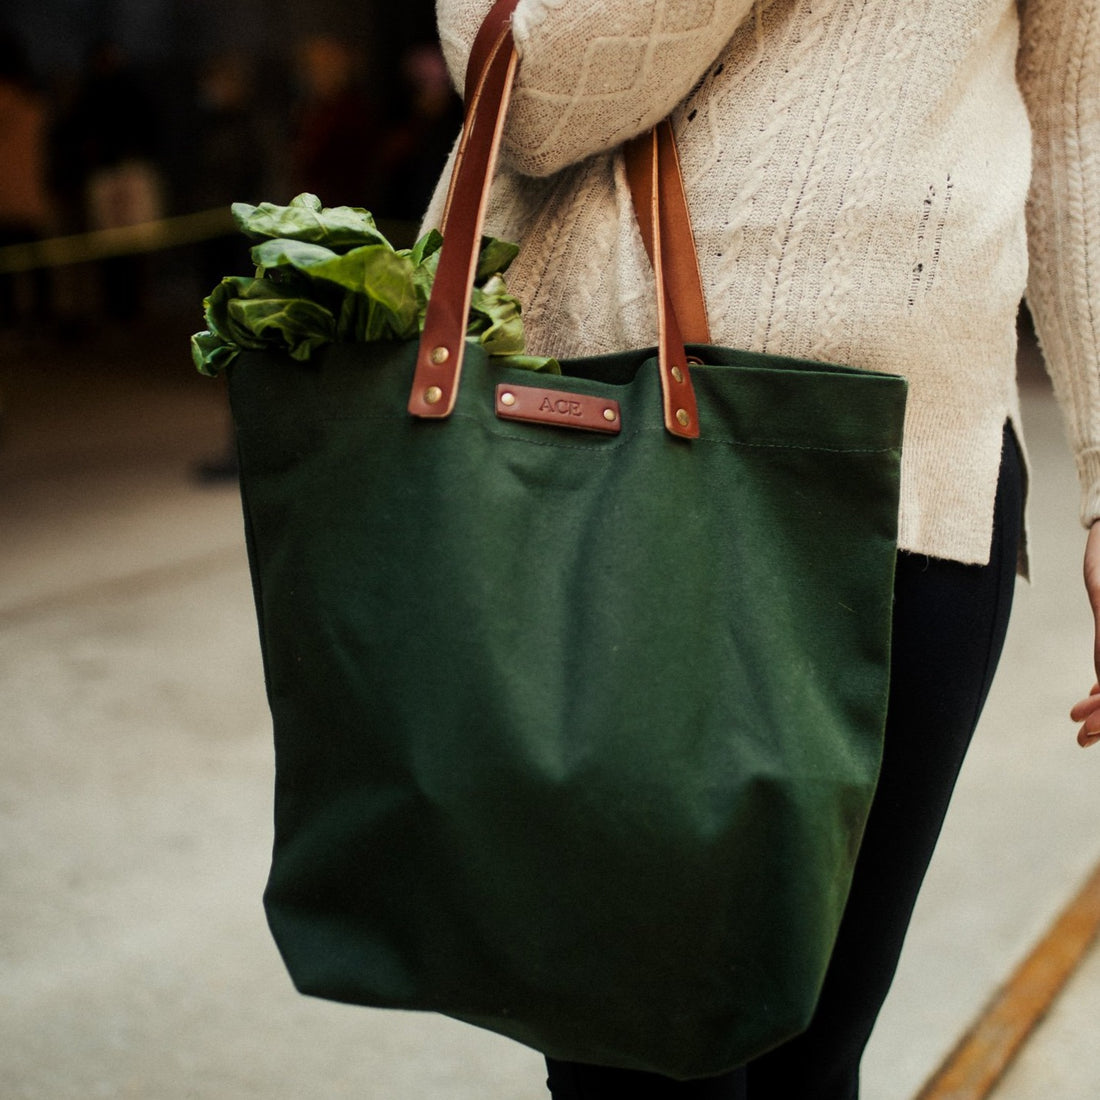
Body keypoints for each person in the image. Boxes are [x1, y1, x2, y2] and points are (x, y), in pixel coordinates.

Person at [420, 1, 1098, 1097]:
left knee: (810, 1059)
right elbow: (539, 92)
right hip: (598, 473)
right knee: (636, 1058)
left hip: (915, 480)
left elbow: (1077, 124)